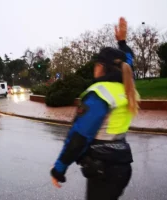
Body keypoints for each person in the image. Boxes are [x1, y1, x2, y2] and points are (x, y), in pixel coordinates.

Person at [50, 17, 139, 200]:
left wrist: (59, 169)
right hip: (121, 167)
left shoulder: (99, 94)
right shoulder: (126, 87)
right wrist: (122, 42)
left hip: (102, 169)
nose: (94, 67)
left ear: (102, 67)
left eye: (97, 64)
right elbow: (127, 63)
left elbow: (79, 137)